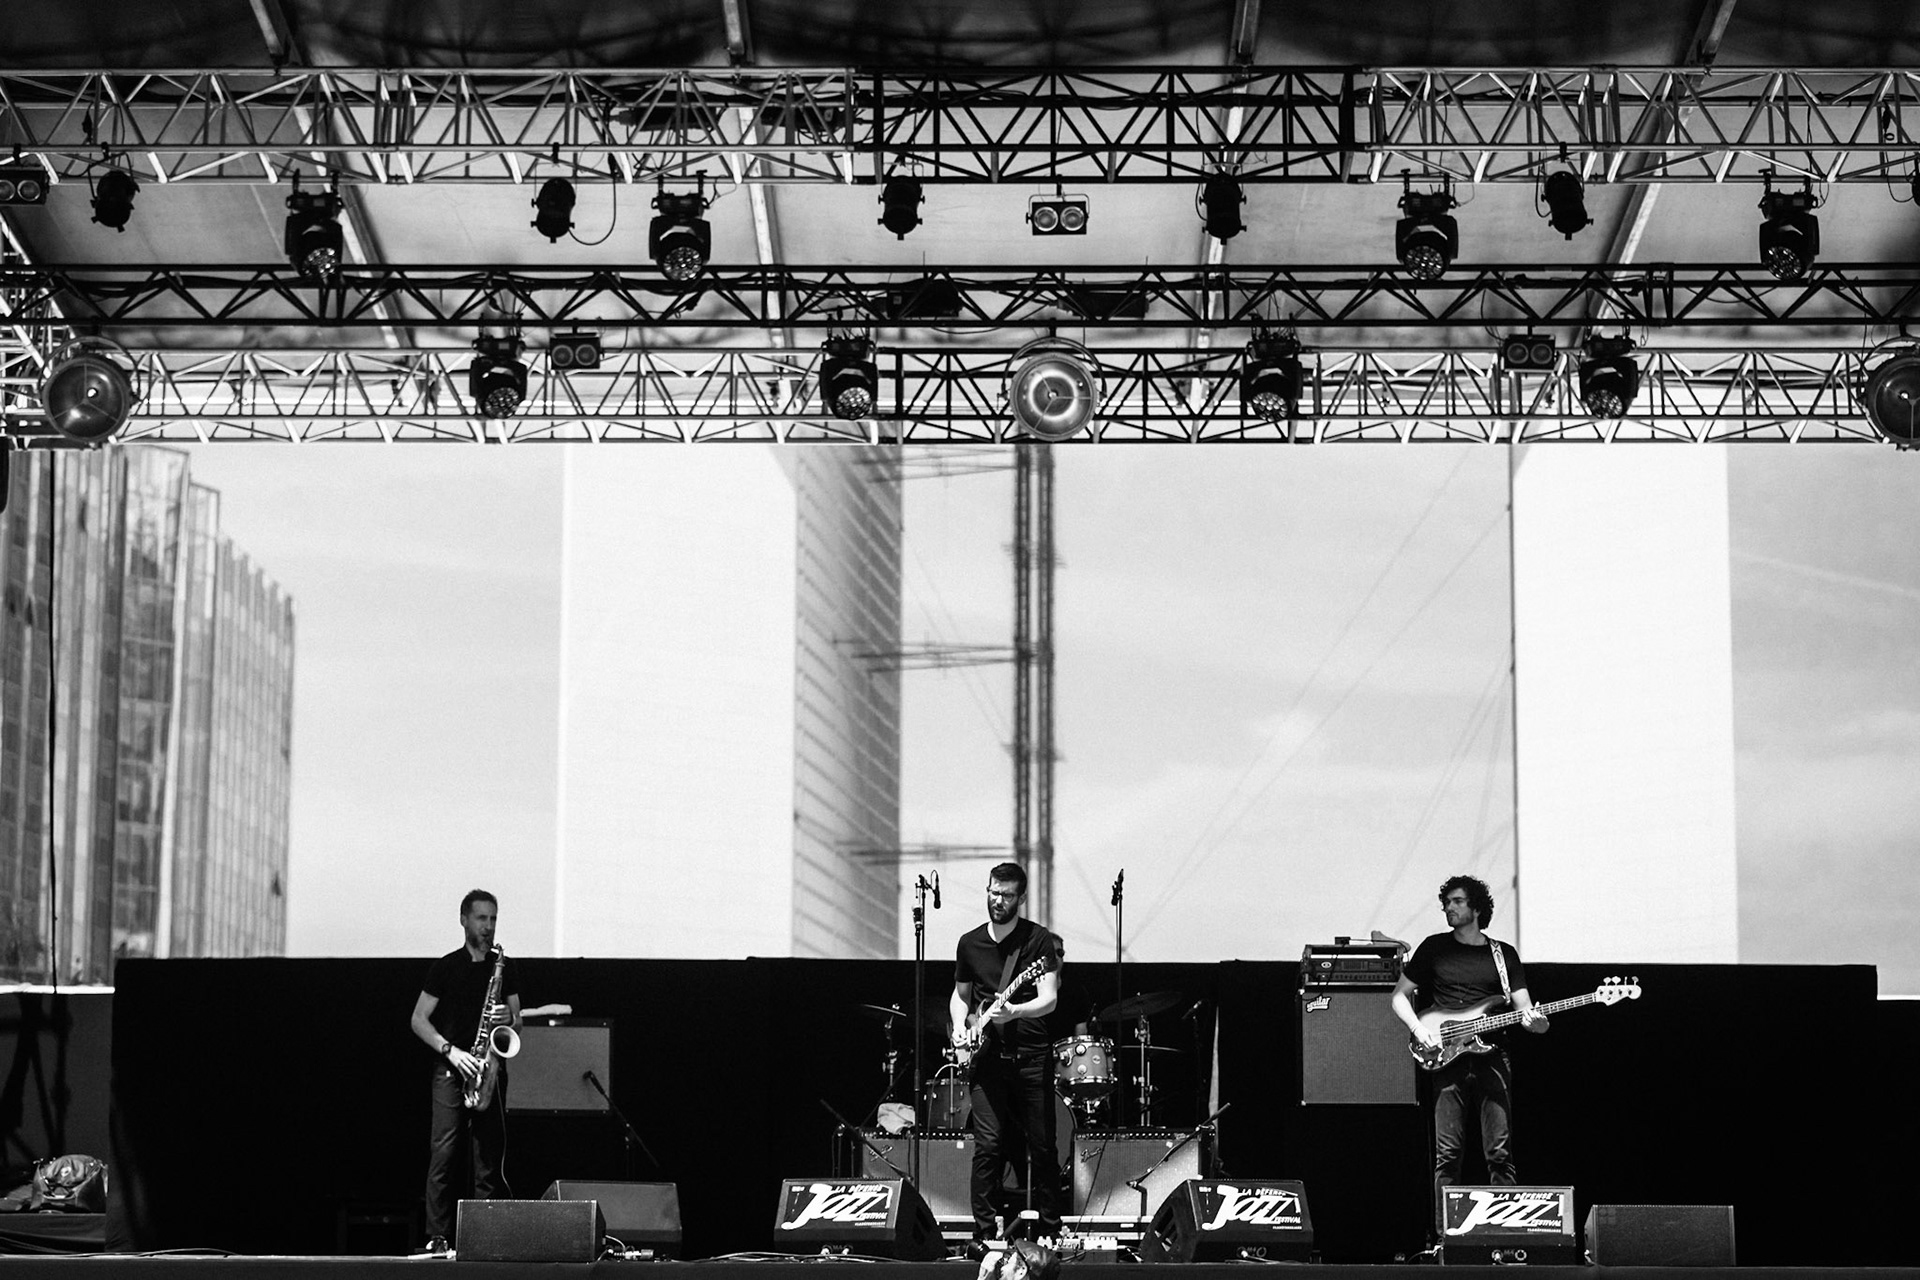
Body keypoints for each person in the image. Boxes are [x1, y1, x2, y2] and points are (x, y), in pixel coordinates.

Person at [1390, 875, 1548, 1239]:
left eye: (1457, 901)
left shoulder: (1503, 954)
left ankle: (1507, 1235)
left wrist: (1537, 1022)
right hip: (1446, 1058)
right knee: (1448, 1154)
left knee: (1499, 1152)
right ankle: (1446, 1239)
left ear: (1477, 908)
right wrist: (1419, 1029)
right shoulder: (1433, 949)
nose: (1449, 907)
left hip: (1493, 1057)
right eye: (1446, 902)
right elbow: (1399, 997)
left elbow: (1527, 1017)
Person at [950, 862, 1063, 1255]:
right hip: (987, 1058)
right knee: (988, 1145)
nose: (998, 901)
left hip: (1031, 1055)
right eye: (993, 892)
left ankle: (1050, 1229)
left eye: (1006, 895)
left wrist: (1016, 1012)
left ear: (1021, 898)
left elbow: (1048, 998)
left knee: (1043, 1144)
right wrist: (959, 1027)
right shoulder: (969, 943)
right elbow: (960, 995)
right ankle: (984, 1233)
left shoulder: (1038, 941)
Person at [410, 889, 523, 1257]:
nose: (488, 926)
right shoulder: (445, 967)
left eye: (493, 919)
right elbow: (417, 1020)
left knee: (487, 1159)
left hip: (488, 1069)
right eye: (481, 918)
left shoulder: (504, 967)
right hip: (452, 1067)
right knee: (443, 1154)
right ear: (464, 920)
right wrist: (451, 1052)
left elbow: (516, 1021)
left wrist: (510, 1019)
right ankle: (436, 1236)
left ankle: (485, 1237)